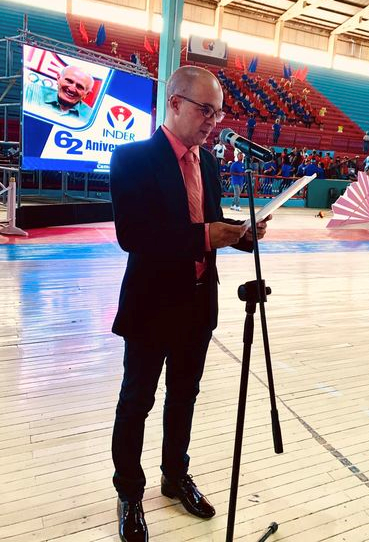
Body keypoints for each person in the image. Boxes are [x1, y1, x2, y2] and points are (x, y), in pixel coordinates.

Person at [110, 65, 270, 542]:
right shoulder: (132, 159)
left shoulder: (210, 164)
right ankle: (129, 492)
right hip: (150, 305)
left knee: (185, 396)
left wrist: (243, 234)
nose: (213, 121)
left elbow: (212, 223)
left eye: (218, 113)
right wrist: (206, 235)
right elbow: (133, 236)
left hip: (198, 304)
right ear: (175, 103)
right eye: (206, 110)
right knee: (136, 401)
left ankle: (174, 475)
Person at [25, 64, 94, 123]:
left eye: (79, 87)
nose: (71, 89)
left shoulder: (92, 117)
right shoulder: (31, 91)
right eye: (69, 81)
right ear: (58, 78)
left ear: (86, 94)